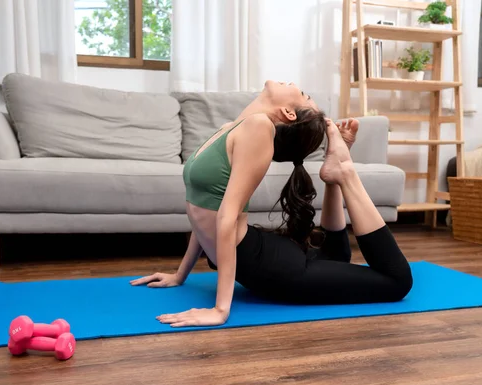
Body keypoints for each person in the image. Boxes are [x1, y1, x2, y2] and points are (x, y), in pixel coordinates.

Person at [131, 80, 413, 328]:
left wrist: (220, 310)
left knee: (397, 282)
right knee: (335, 257)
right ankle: (335, 175)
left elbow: (226, 218)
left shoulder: (259, 127)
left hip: (274, 270)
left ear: (289, 112)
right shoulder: (231, 128)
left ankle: (345, 172)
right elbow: (202, 210)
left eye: (301, 92)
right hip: (264, 257)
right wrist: (180, 276)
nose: (291, 81)